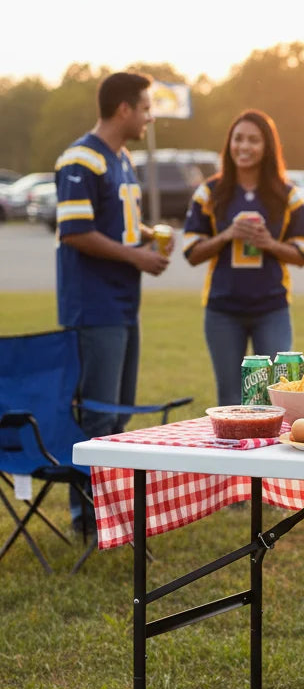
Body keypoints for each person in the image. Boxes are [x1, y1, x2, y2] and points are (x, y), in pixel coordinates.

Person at [55, 71, 172, 536]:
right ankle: (87, 515)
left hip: (124, 303)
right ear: (124, 108)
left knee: (119, 411)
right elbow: (76, 231)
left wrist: (149, 236)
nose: (150, 116)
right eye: (145, 107)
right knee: (98, 410)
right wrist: (137, 256)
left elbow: (118, 222)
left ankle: (110, 508)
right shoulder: (81, 157)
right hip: (93, 304)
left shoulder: (122, 156)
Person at [182, 109, 304, 406]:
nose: (244, 146)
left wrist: (268, 243)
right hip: (223, 309)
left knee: (279, 395)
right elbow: (191, 252)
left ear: (268, 146)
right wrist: (226, 235)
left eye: (254, 140)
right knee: (230, 398)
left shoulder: (287, 194)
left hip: (272, 307)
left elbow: (303, 253)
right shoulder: (210, 191)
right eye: (238, 138)